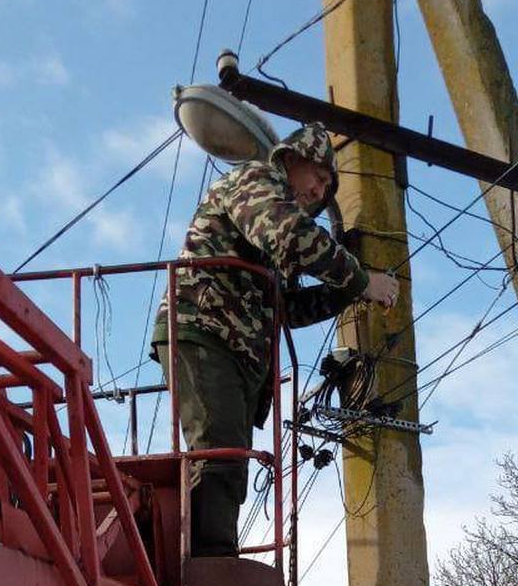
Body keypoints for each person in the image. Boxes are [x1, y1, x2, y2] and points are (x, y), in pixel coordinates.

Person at [151, 122, 398, 557]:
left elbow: (285, 309)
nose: (320, 192)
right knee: (219, 453)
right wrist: (360, 280)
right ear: (291, 159)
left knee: (228, 459)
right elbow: (288, 233)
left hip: (235, 350)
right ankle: (210, 569)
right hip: (205, 331)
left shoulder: (276, 228)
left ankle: (208, 561)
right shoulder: (255, 181)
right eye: (319, 178)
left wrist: (344, 290)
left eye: (327, 187)